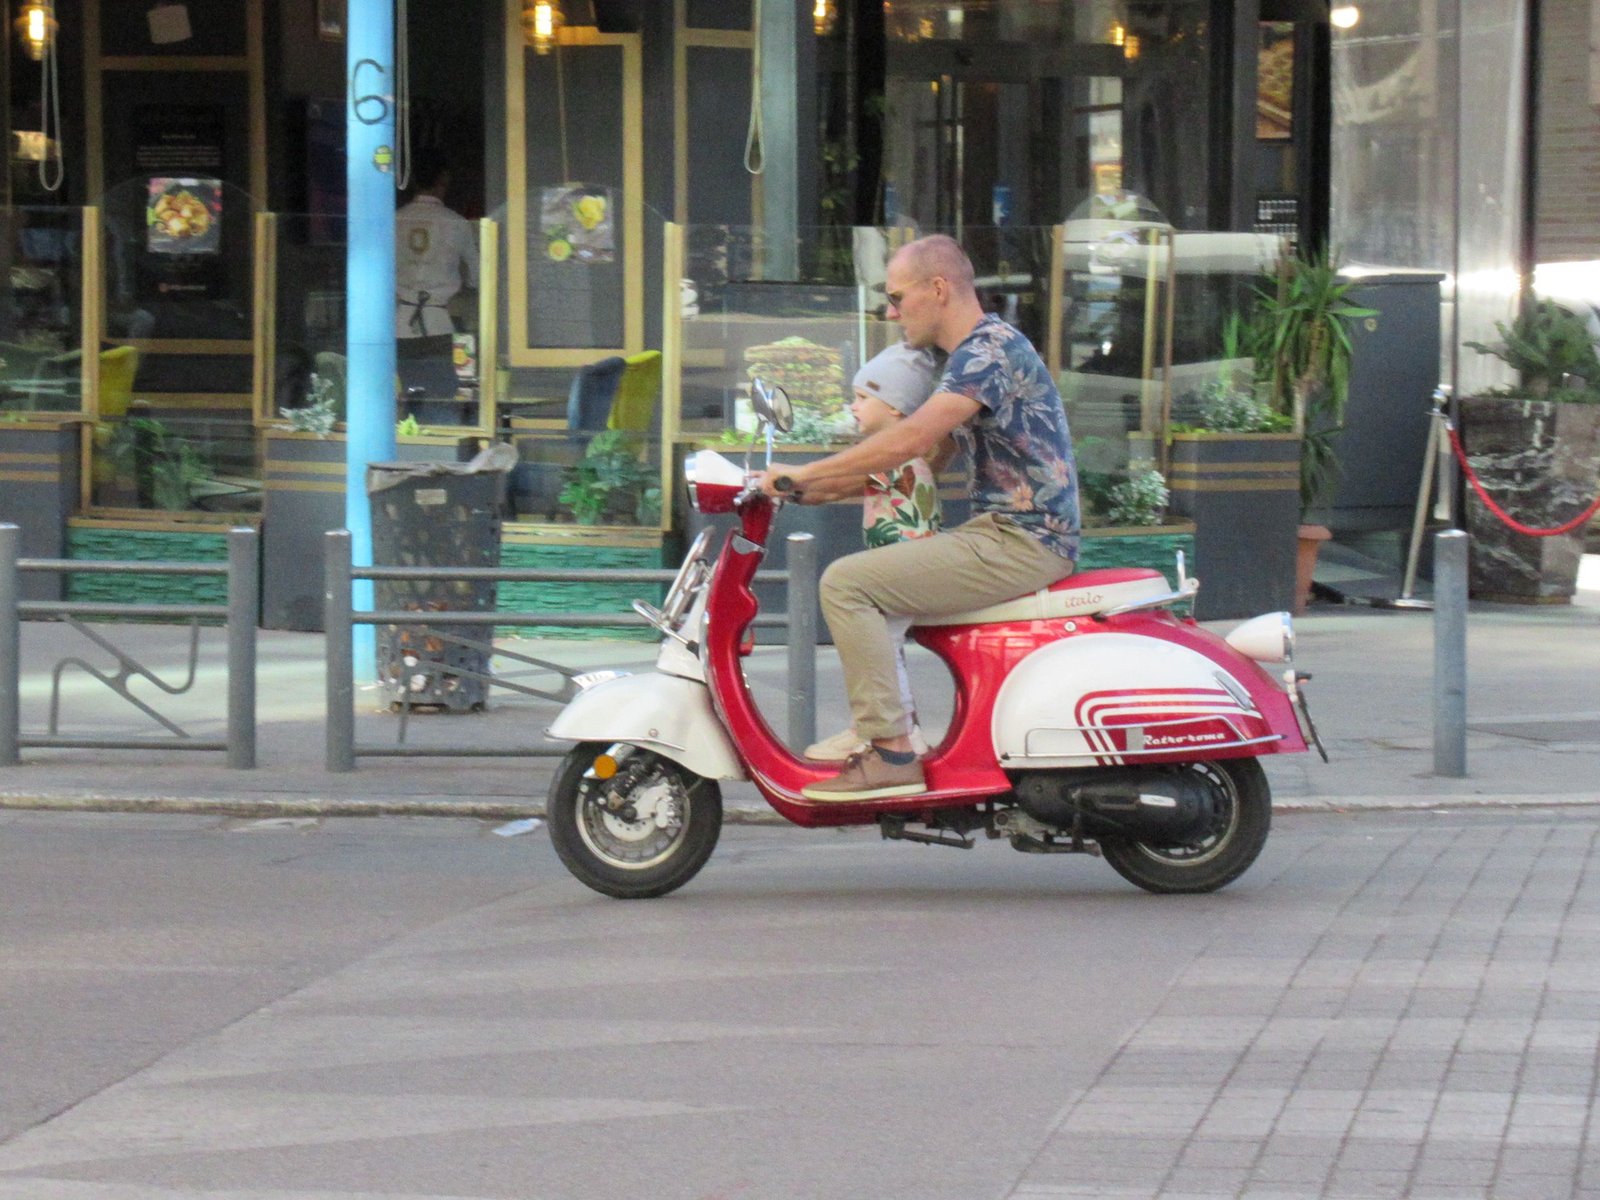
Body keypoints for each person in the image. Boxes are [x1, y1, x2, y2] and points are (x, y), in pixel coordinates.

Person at [759, 234, 1080, 802]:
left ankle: (889, 749)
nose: (890, 311)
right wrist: (806, 491)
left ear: (938, 289)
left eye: (897, 296)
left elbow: (909, 437)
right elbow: (920, 464)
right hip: (1003, 534)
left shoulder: (989, 352)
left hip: (1024, 540)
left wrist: (803, 472)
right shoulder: (968, 360)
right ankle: (890, 731)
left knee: (847, 582)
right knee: (867, 581)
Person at [802, 341, 948, 763]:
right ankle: (905, 731)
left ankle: (882, 733)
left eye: (864, 398)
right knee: (888, 648)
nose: (853, 407)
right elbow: (842, 483)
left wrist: (792, 481)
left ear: (898, 410)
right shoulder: (904, 458)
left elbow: (840, 476)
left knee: (878, 646)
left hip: (901, 572)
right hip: (902, 568)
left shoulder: (894, 458)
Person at [394, 160, 479, 421]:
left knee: (403, 396)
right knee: (441, 398)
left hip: (399, 323)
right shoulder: (456, 223)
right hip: (439, 323)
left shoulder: (394, 220)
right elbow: (477, 277)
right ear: (443, 180)